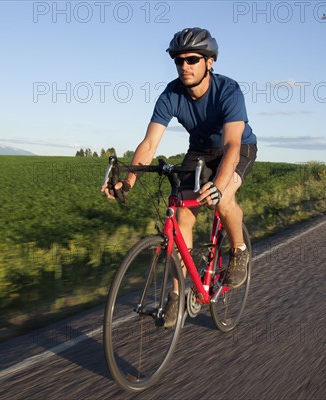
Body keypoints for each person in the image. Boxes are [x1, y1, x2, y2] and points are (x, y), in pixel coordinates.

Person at [102, 27, 257, 328]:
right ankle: (176, 295)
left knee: (223, 199)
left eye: (192, 59)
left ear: (209, 62)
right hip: (199, 150)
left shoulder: (228, 90)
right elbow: (149, 144)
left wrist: (219, 185)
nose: (184, 66)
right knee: (183, 214)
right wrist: (129, 182)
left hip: (238, 148)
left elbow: (232, 146)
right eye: (178, 60)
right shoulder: (171, 93)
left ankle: (238, 251)